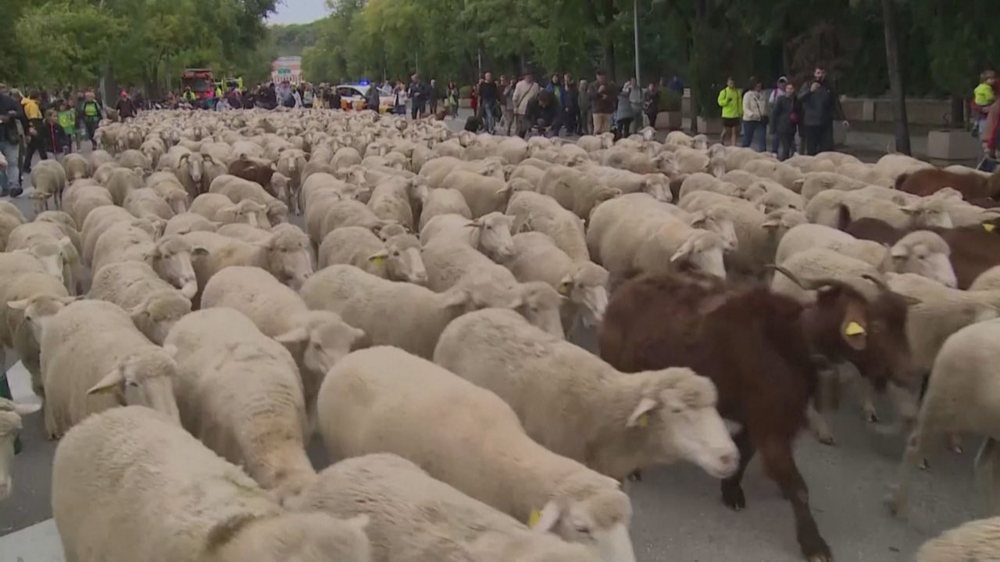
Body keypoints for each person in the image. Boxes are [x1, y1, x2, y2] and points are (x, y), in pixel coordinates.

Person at [798, 65, 848, 155]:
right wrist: (810, 91)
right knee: (811, 149)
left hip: (825, 122)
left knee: (827, 149)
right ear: (814, 74)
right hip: (811, 122)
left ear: (825, 74)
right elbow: (800, 99)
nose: (820, 75)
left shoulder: (829, 87)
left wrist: (843, 118)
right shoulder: (808, 85)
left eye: (822, 73)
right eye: (818, 73)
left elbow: (836, 103)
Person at [0, 83, 27, 197]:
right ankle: (4, 187)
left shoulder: (9, 101)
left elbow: (21, 113)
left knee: (12, 162)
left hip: (9, 136)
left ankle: (14, 186)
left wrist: (12, 114)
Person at [770, 81, 800, 161]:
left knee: (793, 147)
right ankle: (784, 162)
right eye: (788, 88)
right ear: (785, 89)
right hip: (782, 126)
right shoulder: (781, 99)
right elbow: (775, 113)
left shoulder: (796, 100)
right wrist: (773, 128)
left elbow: (799, 112)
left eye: (791, 88)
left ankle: (790, 161)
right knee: (786, 147)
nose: (789, 90)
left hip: (792, 127)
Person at [20, 91, 45, 174]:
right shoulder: (33, 105)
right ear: (37, 97)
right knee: (41, 146)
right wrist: (34, 128)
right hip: (36, 126)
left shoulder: (27, 104)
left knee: (31, 148)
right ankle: (45, 162)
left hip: (32, 126)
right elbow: (33, 117)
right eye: (40, 96)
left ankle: (26, 166)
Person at [741, 77, 767, 152]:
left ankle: (763, 154)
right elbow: (745, 108)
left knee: (762, 139)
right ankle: (743, 153)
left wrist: (764, 114)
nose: (759, 87)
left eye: (760, 86)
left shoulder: (763, 94)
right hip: (749, 120)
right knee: (747, 139)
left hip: (760, 120)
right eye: (757, 86)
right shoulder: (748, 95)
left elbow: (764, 107)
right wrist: (752, 115)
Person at [512, 73, 540, 138]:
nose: (529, 77)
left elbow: (537, 97)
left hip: (532, 111)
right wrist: (515, 107)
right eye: (528, 76)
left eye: (530, 76)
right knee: (521, 128)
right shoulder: (519, 85)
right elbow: (515, 98)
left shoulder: (536, 85)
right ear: (524, 76)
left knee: (531, 127)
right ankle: (518, 141)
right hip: (522, 110)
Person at [717, 77, 742, 146]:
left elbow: (739, 102)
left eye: (733, 83)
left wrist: (740, 112)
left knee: (734, 131)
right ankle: (722, 138)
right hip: (726, 114)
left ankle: (733, 145)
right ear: (727, 83)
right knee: (726, 130)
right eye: (730, 83)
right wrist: (726, 101)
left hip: (735, 114)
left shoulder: (737, 92)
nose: (732, 84)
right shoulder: (724, 92)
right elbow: (720, 102)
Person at [767, 76, 789, 152]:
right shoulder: (775, 92)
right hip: (776, 117)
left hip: (785, 117)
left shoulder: (788, 92)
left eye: (784, 83)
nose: (782, 84)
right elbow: (770, 103)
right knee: (776, 136)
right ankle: (774, 151)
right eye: (781, 82)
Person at [973, 70, 997, 139]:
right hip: (985, 103)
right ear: (985, 80)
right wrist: (994, 98)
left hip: (978, 103)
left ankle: (976, 124)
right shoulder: (987, 88)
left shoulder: (979, 87)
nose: (993, 81)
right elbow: (990, 97)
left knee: (979, 117)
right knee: (985, 117)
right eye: (991, 79)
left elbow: (975, 91)